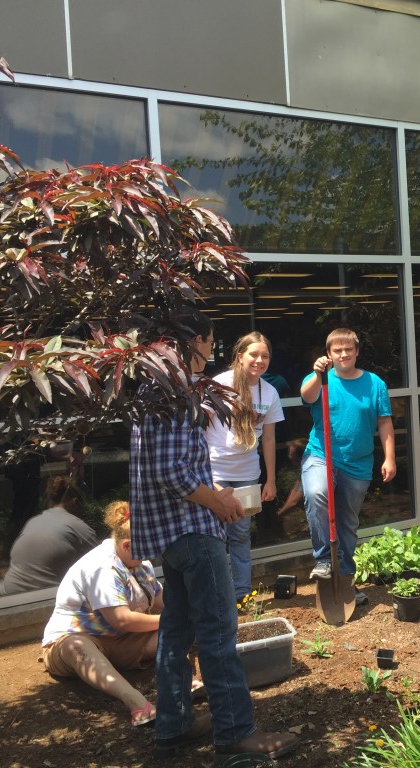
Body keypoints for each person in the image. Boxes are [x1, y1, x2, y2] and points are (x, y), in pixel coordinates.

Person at [130, 310, 298, 761]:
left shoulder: (158, 388)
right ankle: (235, 735)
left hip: (173, 531)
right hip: (192, 531)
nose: (211, 348)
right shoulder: (173, 390)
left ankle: (175, 724)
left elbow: (175, 465)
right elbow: (171, 472)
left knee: (176, 630)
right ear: (198, 340)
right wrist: (217, 500)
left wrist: (214, 490)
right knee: (219, 634)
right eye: (209, 340)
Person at [39, 501, 162, 727]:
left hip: (120, 642)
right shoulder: (102, 567)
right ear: (126, 545)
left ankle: (188, 683)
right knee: (77, 645)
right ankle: (136, 701)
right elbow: (121, 619)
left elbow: (163, 602)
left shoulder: (140, 563)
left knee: (179, 629)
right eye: (149, 546)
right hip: (75, 641)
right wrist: (169, 620)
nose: (153, 552)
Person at [301, 328, 396, 607]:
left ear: (357, 351)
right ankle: (322, 560)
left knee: (347, 525)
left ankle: (344, 582)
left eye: (348, 349)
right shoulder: (321, 379)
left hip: (358, 463)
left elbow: (384, 422)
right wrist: (318, 375)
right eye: (337, 350)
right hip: (321, 455)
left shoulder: (374, 383)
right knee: (317, 493)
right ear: (329, 354)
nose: (343, 355)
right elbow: (306, 397)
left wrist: (389, 458)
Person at [205, 331, 284, 602]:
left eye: (265, 356)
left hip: (248, 475)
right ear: (240, 357)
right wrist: (203, 474)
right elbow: (200, 430)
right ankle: (217, 594)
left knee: (240, 536)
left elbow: (270, 438)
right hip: (216, 473)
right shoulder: (219, 385)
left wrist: (270, 479)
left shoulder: (269, 392)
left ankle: (240, 595)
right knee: (214, 538)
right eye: (254, 354)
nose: (260, 360)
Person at [0, 475, 98, 595]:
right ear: (76, 502)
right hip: (42, 600)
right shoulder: (78, 527)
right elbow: (102, 566)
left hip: (6, 595)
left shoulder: (33, 521)